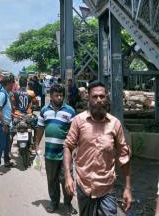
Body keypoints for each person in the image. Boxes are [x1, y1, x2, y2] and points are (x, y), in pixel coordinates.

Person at [63, 81, 132, 215]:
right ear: (88, 98)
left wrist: (128, 188)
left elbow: (124, 156)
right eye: (95, 97)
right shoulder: (78, 121)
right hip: (84, 186)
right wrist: (67, 176)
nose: (99, 100)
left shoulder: (115, 124)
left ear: (106, 98)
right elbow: (68, 146)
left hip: (107, 187)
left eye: (102, 96)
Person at [34, 84, 77, 215]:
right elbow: (40, 128)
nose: (59, 98)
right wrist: (36, 145)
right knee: (52, 180)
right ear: (51, 96)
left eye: (61, 95)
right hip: (50, 153)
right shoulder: (44, 110)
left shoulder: (70, 111)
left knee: (66, 179)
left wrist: (74, 149)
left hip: (65, 153)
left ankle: (68, 204)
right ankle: (54, 203)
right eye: (56, 95)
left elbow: (74, 132)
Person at [0, 75, 15, 175]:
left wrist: (12, 115)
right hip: (2, 124)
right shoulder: (2, 94)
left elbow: (5, 109)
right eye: (11, 84)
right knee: (2, 144)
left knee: (7, 143)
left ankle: (6, 161)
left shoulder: (7, 93)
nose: (13, 85)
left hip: (6, 123)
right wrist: (4, 123)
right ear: (7, 84)